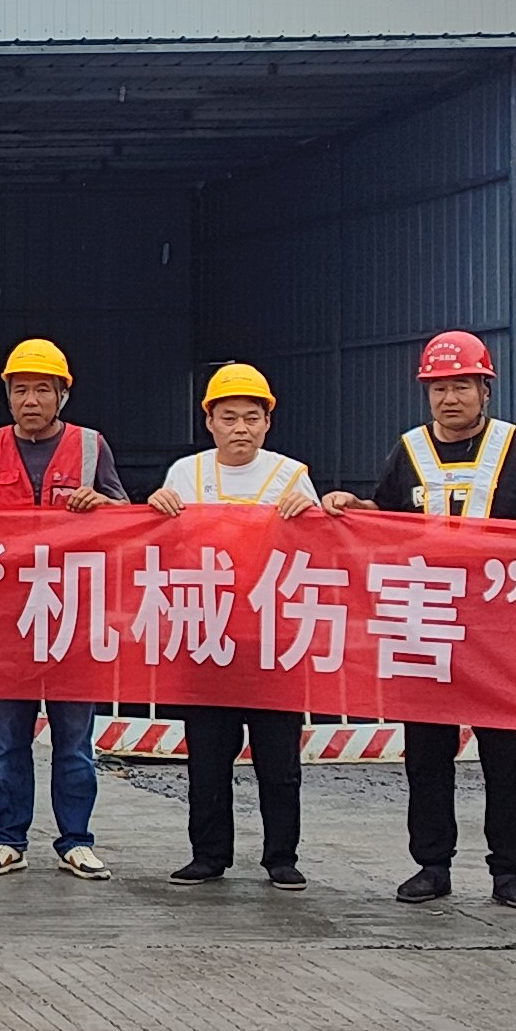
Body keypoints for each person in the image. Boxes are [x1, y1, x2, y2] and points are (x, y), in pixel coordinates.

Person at [325, 328, 516, 910]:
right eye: (438, 388)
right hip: (425, 623)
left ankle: (509, 871)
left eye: (461, 386)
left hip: (498, 627)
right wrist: (352, 508)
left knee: (505, 754)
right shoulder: (409, 450)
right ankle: (432, 864)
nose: (450, 398)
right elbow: (384, 517)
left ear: (485, 389)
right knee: (426, 752)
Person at [148, 361, 320, 888]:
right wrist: (155, 508)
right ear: (209, 422)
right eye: (228, 417)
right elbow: (164, 546)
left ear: (268, 422)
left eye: (251, 417)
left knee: (278, 760)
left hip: (273, 642)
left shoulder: (292, 477)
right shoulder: (185, 475)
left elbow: (321, 553)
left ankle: (281, 857)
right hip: (206, 636)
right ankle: (208, 854)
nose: (240, 428)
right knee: (207, 757)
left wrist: (312, 515)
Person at [0, 335, 123, 878]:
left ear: (62, 395)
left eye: (43, 390)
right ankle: (7, 839)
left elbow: (126, 521)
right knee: (8, 743)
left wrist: (102, 504)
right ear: (7, 395)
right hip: (5, 620)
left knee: (74, 744)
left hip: (72, 619)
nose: (31, 400)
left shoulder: (92, 446)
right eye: (21, 389)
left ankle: (76, 840)